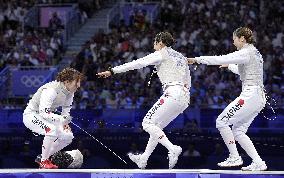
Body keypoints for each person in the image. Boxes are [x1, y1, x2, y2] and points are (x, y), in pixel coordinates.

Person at [97, 32, 191, 169]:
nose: (154, 45)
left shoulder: (161, 53)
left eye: (155, 42)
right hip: (184, 97)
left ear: (160, 42)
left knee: (147, 123)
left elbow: (138, 63)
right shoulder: (181, 57)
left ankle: (173, 148)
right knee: (156, 127)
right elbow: (188, 80)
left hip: (173, 92)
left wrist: (113, 71)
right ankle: (144, 158)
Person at [188, 27, 267, 171]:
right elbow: (245, 72)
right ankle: (258, 162)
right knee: (238, 131)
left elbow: (220, 58)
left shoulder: (246, 52)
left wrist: (197, 60)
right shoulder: (255, 52)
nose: (233, 41)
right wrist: (230, 66)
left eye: (235, 38)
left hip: (251, 95)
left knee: (221, 121)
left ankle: (235, 157)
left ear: (242, 38)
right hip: (258, 96)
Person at [23, 68, 84, 169]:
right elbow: (43, 112)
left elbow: (65, 111)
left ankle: (42, 157)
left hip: (46, 117)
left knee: (68, 136)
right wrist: (61, 120)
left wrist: (65, 123)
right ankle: (44, 161)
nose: (78, 85)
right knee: (51, 130)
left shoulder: (70, 92)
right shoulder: (51, 90)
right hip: (31, 115)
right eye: (76, 82)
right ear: (67, 81)